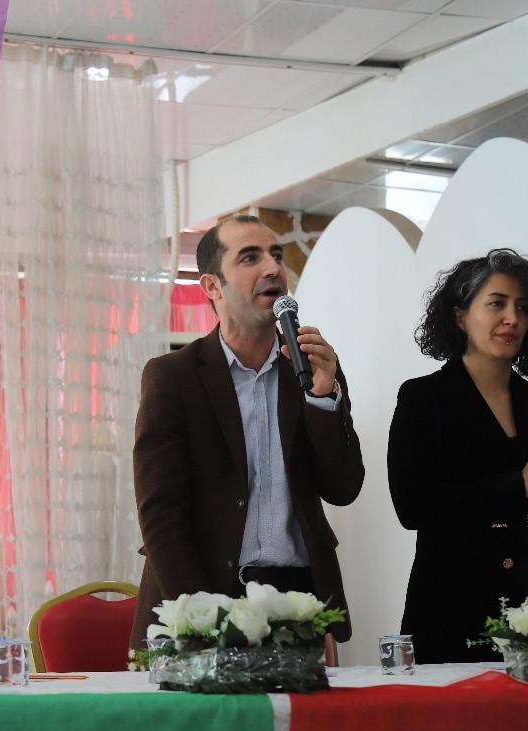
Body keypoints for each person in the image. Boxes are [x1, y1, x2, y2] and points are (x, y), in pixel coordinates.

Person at [129, 214, 364, 649]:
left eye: (276, 255)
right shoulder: (173, 377)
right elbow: (161, 517)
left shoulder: (313, 368)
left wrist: (322, 399)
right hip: (205, 597)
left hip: (297, 602)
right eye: (250, 258)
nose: (273, 268)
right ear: (212, 286)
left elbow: (343, 488)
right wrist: (200, 620)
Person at [388, 248, 528, 664]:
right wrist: (522, 484)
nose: (512, 318)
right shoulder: (423, 397)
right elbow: (413, 508)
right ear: (460, 316)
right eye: (497, 304)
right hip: (455, 610)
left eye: (523, 307)